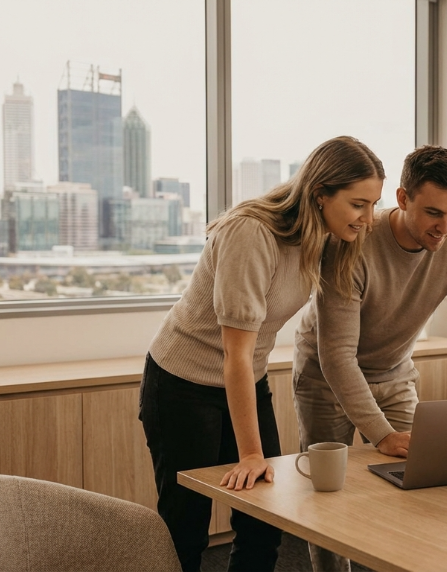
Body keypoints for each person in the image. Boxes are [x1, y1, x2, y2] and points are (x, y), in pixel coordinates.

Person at [139, 136, 384, 572]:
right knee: (187, 526)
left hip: (246, 380)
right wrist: (251, 454)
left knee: (264, 520)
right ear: (319, 194)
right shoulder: (251, 233)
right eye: (359, 205)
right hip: (183, 384)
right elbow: (235, 353)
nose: (368, 219)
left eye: (374, 205)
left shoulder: (325, 236)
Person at [292, 144, 447, 572]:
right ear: (403, 199)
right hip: (325, 378)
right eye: (433, 213)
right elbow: (336, 357)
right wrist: (381, 434)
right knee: (329, 494)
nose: (445, 227)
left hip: (393, 374)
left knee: (423, 484)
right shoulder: (352, 243)